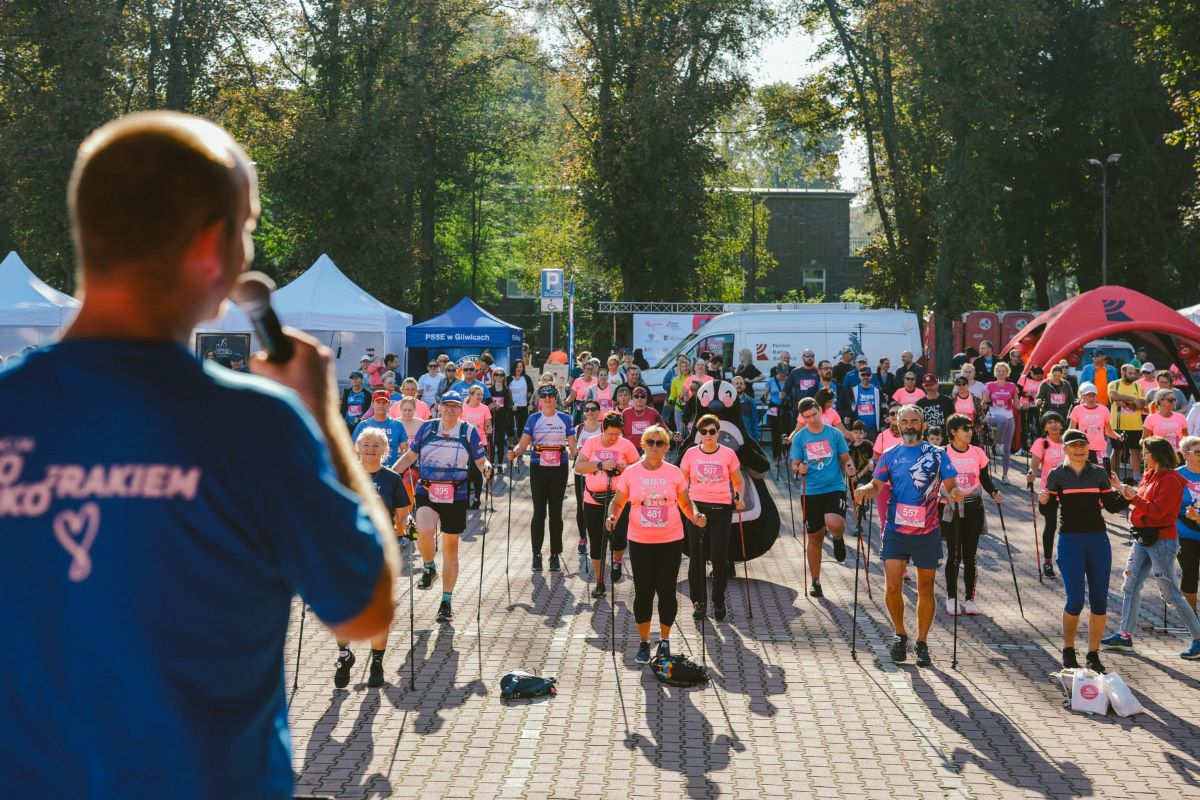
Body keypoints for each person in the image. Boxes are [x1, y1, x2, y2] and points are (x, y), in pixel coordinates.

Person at [0, 111, 395, 797]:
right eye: (246, 229)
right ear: (214, 246)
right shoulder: (256, 426)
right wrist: (321, 419)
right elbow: (365, 611)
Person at [854, 406, 964, 666]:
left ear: (923, 424)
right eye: (905, 421)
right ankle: (900, 635)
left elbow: (951, 485)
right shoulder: (891, 455)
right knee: (893, 587)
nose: (910, 425)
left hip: (927, 531)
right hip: (896, 530)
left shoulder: (938, 455)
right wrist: (864, 490)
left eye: (915, 421)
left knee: (925, 588)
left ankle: (922, 642)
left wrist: (955, 492)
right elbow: (876, 485)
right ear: (898, 425)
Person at [606, 426, 706, 664]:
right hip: (640, 540)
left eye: (660, 443)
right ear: (642, 444)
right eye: (650, 442)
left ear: (666, 447)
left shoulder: (674, 473)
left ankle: (664, 640)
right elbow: (617, 502)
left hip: (670, 540)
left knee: (667, 591)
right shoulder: (631, 473)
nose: (654, 447)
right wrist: (611, 517)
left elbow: (685, 501)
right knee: (643, 592)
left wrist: (696, 515)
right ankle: (643, 642)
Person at [393, 391, 491, 622]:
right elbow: (410, 456)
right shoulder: (427, 428)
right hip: (427, 489)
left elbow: (479, 459)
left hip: (456, 493)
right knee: (422, 531)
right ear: (439, 407)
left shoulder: (468, 431)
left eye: (454, 406)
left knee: (450, 548)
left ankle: (446, 601)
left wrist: (487, 467)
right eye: (446, 405)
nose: (449, 409)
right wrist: (389, 474)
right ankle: (429, 567)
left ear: (460, 409)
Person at [1039, 429, 1129, 673]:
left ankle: (1093, 653)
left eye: (1083, 445)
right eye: (1074, 445)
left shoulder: (1099, 473)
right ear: (1065, 449)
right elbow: (1047, 513)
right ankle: (1068, 649)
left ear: (1088, 448)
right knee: (1076, 600)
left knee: (1099, 601)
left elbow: (1111, 507)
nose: (1079, 449)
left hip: (1098, 540)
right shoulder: (1057, 475)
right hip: (1070, 541)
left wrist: (1127, 497)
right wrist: (1044, 501)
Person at [1101, 437, 1200, 659]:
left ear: (1156, 454)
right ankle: (1125, 635)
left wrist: (1134, 498)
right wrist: (1121, 488)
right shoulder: (1150, 475)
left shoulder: (1172, 480)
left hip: (1162, 541)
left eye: (1145, 453)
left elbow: (1157, 511)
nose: (1142, 457)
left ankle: (1198, 638)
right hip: (1143, 538)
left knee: (1171, 593)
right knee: (1130, 585)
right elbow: (1144, 499)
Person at [335, 427, 412, 688]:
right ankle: (344, 655)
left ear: (384, 450)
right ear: (357, 446)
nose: (370, 449)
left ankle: (377, 664)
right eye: (365, 444)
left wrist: (408, 524)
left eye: (376, 445)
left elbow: (402, 514)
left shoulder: (392, 479)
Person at [680, 414, 745, 620]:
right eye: (703, 432)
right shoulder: (690, 454)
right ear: (698, 433)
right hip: (697, 508)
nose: (707, 435)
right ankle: (699, 602)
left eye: (712, 431)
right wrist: (684, 506)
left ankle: (718, 600)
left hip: (721, 509)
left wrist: (739, 497)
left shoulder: (728, 454)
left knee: (719, 557)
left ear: (718, 433)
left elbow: (739, 482)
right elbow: (681, 484)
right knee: (696, 557)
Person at [509, 385, 578, 571]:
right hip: (538, 468)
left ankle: (555, 554)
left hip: (559, 468)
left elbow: (573, 447)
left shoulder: (564, 418)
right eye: (544, 396)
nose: (547, 398)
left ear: (556, 398)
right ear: (539, 399)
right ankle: (536, 554)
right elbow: (522, 445)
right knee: (539, 512)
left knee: (556, 512)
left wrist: (574, 454)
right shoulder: (534, 419)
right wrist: (514, 453)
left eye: (551, 395)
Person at [792, 398, 855, 598]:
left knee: (834, 522)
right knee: (815, 537)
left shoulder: (834, 434)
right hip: (810, 491)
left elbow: (845, 458)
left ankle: (837, 538)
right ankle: (816, 581)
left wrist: (850, 467)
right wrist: (799, 467)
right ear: (803, 417)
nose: (811, 420)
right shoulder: (800, 438)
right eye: (807, 417)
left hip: (834, 486)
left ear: (820, 411)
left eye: (814, 414)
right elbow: (794, 464)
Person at [941, 414, 1002, 616]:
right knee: (954, 555)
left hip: (974, 507)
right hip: (952, 509)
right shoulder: (943, 453)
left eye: (970, 428)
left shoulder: (977, 452)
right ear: (953, 432)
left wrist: (994, 492)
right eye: (964, 428)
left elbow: (984, 478)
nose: (969, 432)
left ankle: (969, 599)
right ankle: (951, 598)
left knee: (970, 556)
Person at [1028, 411, 1067, 577]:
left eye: (1056, 421)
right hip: (1048, 491)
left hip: (1069, 491)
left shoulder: (1068, 442)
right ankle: (1047, 562)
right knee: (1050, 525)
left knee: (1068, 527)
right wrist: (1030, 474)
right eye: (1049, 422)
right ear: (1044, 427)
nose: (1053, 425)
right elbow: (1035, 466)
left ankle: (1066, 560)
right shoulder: (1041, 443)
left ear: (1062, 424)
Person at [573, 401, 605, 556]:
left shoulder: (604, 429)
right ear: (584, 412)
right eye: (587, 409)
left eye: (593, 409)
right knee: (581, 505)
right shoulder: (578, 429)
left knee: (602, 503)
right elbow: (572, 452)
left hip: (600, 474)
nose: (590, 412)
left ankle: (604, 535)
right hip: (581, 473)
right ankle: (582, 537)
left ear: (599, 411)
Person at [1068, 383, 1121, 469]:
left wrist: (1119, 437)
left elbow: (1108, 431)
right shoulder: (1077, 409)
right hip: (1083, 448)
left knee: (1100, 475)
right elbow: (1071, 430)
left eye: (1093, 395)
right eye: (1088, 395)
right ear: (1083, 397)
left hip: (1100, 449)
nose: (1091, 398)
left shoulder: (1104, 409)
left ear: (1097, 396)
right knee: (1083, 474)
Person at [1176, 437, 1200, 620]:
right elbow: (1167, 505)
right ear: (1185, 454)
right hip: (1185, 533)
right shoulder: (1176, 476)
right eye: (1198, 452)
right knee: (1190, 575)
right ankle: (1192, 619)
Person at [1108, 363, 1146, 476]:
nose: (1133, 375)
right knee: (1117, 451)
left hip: (1135, 425)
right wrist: (1133, 398)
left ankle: (1136, 476)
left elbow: (1141, 404)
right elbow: (1114, 396)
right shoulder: (1114, 384)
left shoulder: (1137, 386)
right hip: (1118, 425)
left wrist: (1125, 403)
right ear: (1122, 373)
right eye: (1130, 373)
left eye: (1134, 373)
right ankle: (1111, 475)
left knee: (1136, 451)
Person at [984, 362, 1019, 483]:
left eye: (1003, 371)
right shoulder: (990, 385)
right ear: (995, 372)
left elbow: (1017, 404)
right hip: (993, 416)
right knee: (1002, 420)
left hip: (1009, 417)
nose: (1001, 373)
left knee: (1007, 449)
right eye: (999, 371)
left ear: (1007, 373)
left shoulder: (1012, 386)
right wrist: (983, 405)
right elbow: (984, 402)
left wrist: (1025, 406)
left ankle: (1005, 475)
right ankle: (997, 443)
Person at [354, 390, 409, 463]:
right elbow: (353, 450)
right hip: (368, 470)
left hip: (390, 469)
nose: (381, 405)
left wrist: (398, 469)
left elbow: (405, 452)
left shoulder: (398, 425)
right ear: (372, 404)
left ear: (389, 404)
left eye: (384, 402)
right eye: (378, 402)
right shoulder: (363, 425)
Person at [460, 386, 492, 508]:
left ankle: (477, 499)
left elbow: (488, 425)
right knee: (466, 471)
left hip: (480, 442)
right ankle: (466, 498)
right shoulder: (463, 408)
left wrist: (489, 430)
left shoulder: (484, 409)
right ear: (470, 395)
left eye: (481, 394)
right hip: (465, 442)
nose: (479, 397)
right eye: (477, 394)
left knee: (477, 471)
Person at [622, 386, 666, 452]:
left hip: (648, 449)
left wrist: (674, 436)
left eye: (643, 396)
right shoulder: (625, 413)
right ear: (632, 398)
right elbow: (617, 431)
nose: (640, 399)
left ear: (646, 398)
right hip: (629, 448)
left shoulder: (653, 412)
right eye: (636, 396)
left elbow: (665, 429)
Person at [846, 366, 884, 438]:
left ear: (871, 376)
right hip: (858, 431)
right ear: (859, 376)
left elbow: (883, 408)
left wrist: (882, 425)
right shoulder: (852, 391)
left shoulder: (878, 391)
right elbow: (849, 409)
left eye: (868, 375)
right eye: (863, 375)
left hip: (874, 430)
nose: (865, 377)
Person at [763, 365, 789, 460]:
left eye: (785, 374)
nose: (783, 376)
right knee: (775, 431)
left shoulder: (788, 380)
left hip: (785, 407)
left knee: (785, 430)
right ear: (777, 371)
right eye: (781, 374)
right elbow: (765, 393)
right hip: (773, 407)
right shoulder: (771, 381)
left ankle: (784, 452)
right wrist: (764, 397)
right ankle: (776, 455)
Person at [510, 359, 535, 441]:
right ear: (514, 367)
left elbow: (532, 391)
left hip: (523, 406)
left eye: (521, 367)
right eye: (517, 366)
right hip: (511, 406)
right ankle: (511, 444)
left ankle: (521, 444)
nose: (519, 368)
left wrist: (530, 399)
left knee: (522, 426)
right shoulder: (508, 378)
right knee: (511, 426)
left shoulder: (527, 378)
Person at [733, 375, 758, 440]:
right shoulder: (728, 402)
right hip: (733, 437)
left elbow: (755, 421)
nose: (739, 385)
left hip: (748, 437)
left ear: (744, 386)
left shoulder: (751, 402)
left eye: (741, 383)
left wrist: (756, 439)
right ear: (732, 386)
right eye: (736, 383)